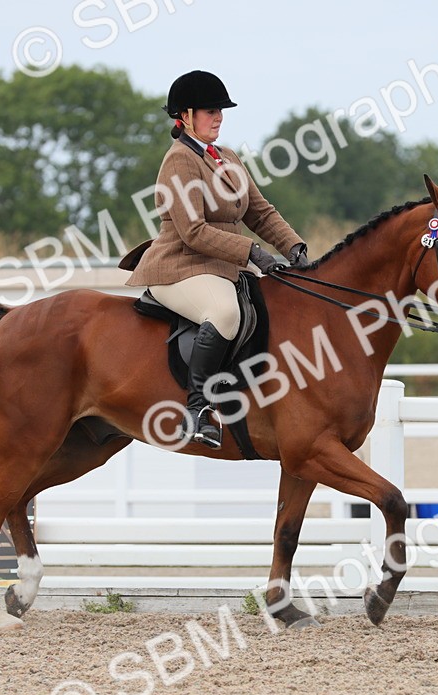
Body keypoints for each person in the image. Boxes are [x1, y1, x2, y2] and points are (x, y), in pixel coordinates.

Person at [126, 70, 312, 449]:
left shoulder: (226, 158)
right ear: (185, 116)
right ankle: (197, 410)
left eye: (221, 111)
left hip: (220, 267)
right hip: (179, 268)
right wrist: (253, 253)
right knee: (226, 313)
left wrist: (295, 249)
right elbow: (193, 231)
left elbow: (259, 212)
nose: (219, 117)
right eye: (210, 111)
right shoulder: (179, 162)